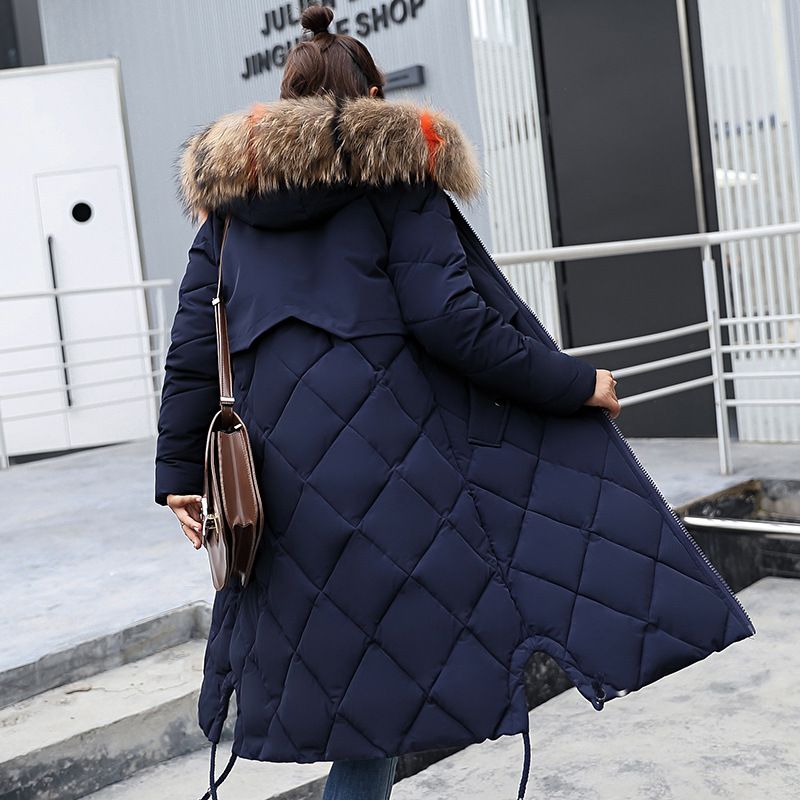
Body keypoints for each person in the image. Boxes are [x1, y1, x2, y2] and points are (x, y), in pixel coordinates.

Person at [155, 4, 621, 799]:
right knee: (381, 701)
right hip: (395, 479)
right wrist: (578, 384)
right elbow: (456, 324)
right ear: (372, 95)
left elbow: (194, 354)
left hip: (277, 490)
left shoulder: (226, 219)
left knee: (360, 702)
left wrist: (177, 473)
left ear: (282, 102)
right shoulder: (399, 187)